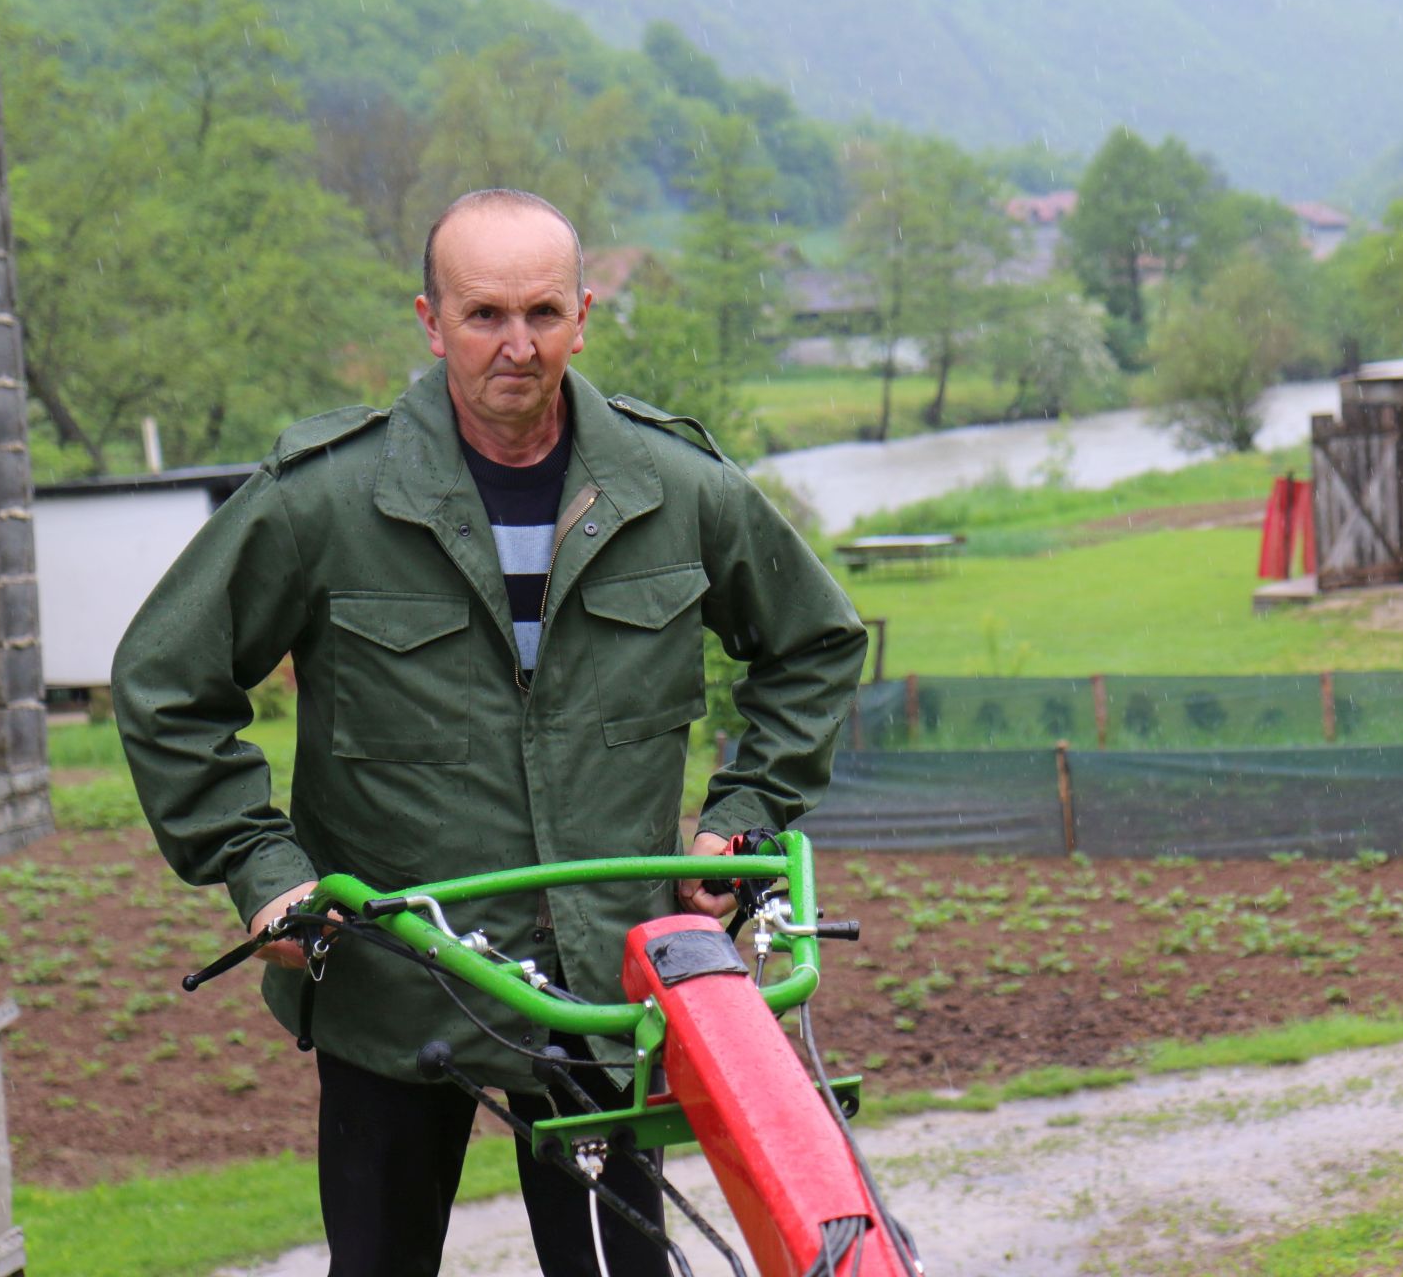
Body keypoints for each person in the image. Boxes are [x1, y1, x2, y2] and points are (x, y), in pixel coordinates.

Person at [112, 188, 867, 1275]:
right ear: (430, 320)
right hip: (395, 972)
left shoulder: (677, 487)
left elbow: (815, 643)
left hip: (603, 974)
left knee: (620, 1267)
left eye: (544, 312)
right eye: (483, 316)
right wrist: (259, 866)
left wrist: (741, 820)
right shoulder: (327, 499)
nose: (518, 346)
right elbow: (167, 679)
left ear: (584, 313)